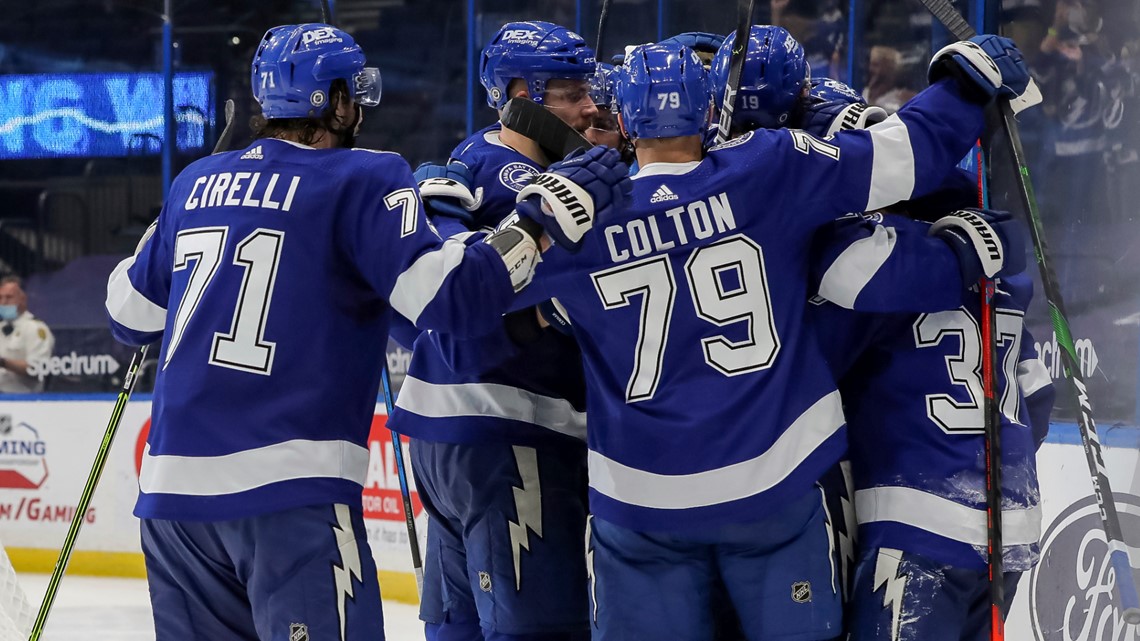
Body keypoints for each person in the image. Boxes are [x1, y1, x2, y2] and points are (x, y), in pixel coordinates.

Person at [103, 22, 626, 641]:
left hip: (171, 503)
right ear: (338, 101)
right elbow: (451, 300)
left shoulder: (195, 183)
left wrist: (179, 205)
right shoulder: (363, 176)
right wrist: (542, 217)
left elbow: (128, 316)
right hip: (289, 493)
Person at [511, 29, 1032, 639]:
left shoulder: (582, 217)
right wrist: (967, 85)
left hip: (640, 502)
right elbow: (907, 153)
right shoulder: (768, 166)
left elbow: (483, 304)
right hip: (775, 487)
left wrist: (521, 213)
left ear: (623, 120)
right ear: (708, 109)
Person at [388, 20, 602, 641]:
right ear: (522, 94)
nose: (588, 106)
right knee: (537, 628)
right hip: (513, 434)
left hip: (442, 435)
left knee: (457, 625)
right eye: (569, 91)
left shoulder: (469, 161)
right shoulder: (528, 184)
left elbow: (408, 312)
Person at [0, 276, 53, 393]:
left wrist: (3, 363)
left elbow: (37, 369)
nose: (3, 302)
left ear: (22, 299)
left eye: (9, 297)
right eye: (0, 298)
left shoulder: (35, 329)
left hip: (25, 400)